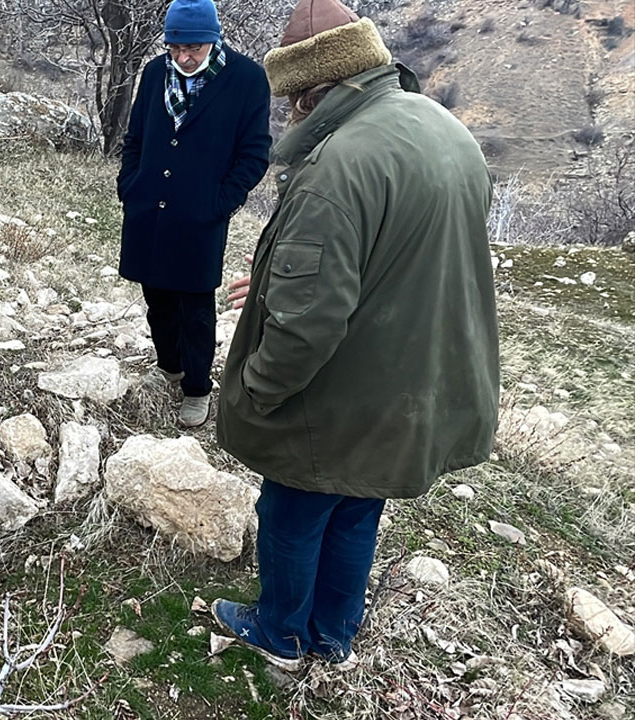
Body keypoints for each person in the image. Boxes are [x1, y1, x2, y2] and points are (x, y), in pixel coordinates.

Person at [211, 0, 500, 671]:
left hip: (344, 392)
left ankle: (279, 634)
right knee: (357, 506)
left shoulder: (338, 165)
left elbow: (308, 326)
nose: (289, 115)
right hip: (413, 381)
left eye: (292, 99)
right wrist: (285, 279)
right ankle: (334, 636)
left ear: (316, 89)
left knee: (292, 507)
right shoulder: (440, 127)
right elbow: (403, 253)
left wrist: (257, 389)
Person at [117, 0, 272, 428]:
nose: (184, 57)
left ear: (214, 38)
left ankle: (198, 388)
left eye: (195, 48)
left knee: (196, 308)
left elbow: (255, 153)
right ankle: (169, 366)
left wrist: (219, 203)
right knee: (156, 299)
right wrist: (129, 187)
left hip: (200, 217)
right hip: (148, 209)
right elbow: (135, 137)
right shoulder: (153, 73)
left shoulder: (246, 79)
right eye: (175, 47)